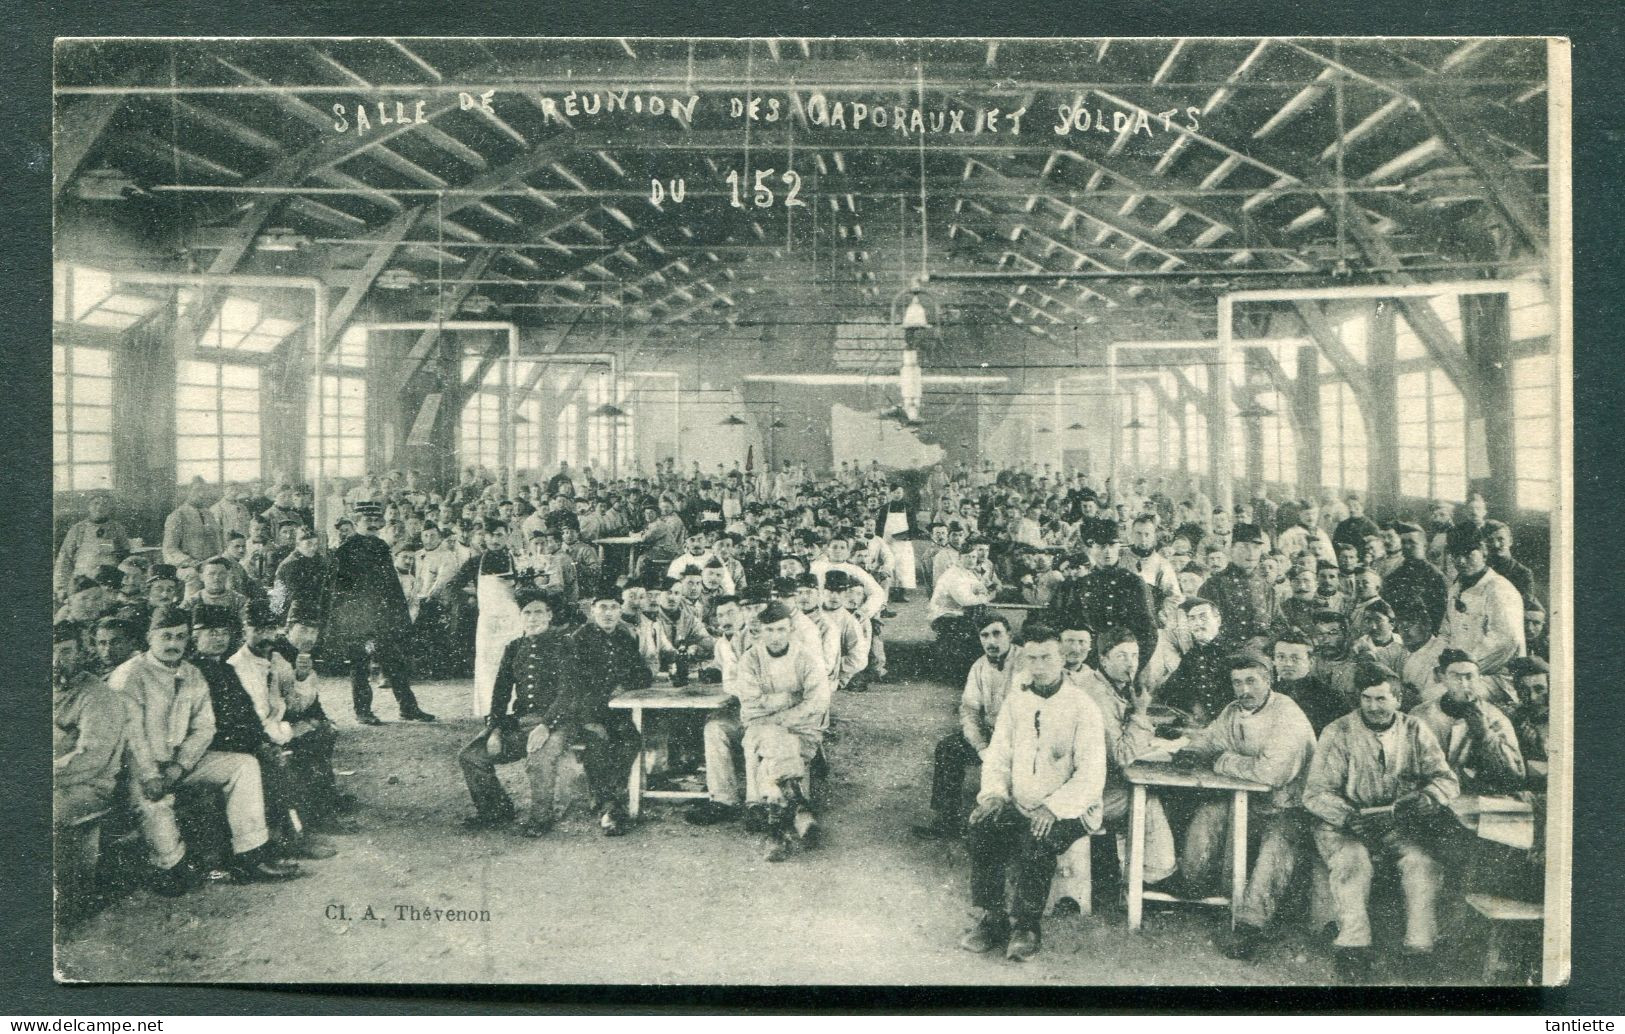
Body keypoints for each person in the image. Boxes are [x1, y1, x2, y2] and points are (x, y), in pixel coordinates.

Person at [110, 605, 301, 894]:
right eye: (166, 637)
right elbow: (131, 737)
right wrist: (151, 775)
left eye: (180, 637)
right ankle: (169, 865)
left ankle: (249, 857)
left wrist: (180, 766)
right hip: (137, 769)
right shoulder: (130, 675)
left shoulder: (192, 673)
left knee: (244, 765)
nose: (174, 644)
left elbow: (205, 727)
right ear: (150, 638)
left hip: (178, 765)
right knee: (164, 838)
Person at [959, 623, 1105, 963]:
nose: (1039, 666)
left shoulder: (1083, 707)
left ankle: (1027, 925)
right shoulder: (1017, 702)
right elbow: (998, 755)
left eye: (1047, 657)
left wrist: (1054, 808)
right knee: (982, 827)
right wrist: (994, 794)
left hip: (1072, 809)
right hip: (1020, 801)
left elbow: (1091, 774)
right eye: (1032, 658)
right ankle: (992, 918)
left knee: (1035, 840)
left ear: (1062, 658)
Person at [1303, 667, 1459, 979]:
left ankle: (1419, 948)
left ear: (1398, 700)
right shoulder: (1339, 731)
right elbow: (1315, 793)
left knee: (1421, 864)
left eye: (1381, 699)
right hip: (1344, 824)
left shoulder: (1415, 729)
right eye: (1366, 699)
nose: (1373, 707)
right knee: (1353, 862)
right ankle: (1353, 947)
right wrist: (1347, 816)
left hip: (1395, 824)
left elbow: (1446, 780)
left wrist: (1427, 798)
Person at [1172, 651, 1317, 961]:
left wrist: (1221, 762)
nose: (1243, 690)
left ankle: (1251, 925)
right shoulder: (1233, 710)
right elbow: (1211, 739)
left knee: (1277, 845)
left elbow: (1271, 772)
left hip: (1289, 807)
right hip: (1251, 803)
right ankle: (1191, 886)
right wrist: (1191, 749)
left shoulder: (1287, 715)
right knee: (1209, 813)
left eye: (1251, 681)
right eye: (1237, 682)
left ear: (1269, 680)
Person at [191, 603, 336, 862]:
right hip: (217, 744)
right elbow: (232, 720)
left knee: (313, 737)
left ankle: (305, 824)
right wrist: (267, 741)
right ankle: (288, 837)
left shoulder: (262, 662)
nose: (266, 637)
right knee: (272, 762)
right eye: (258, 630)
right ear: (246, 631)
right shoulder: (228, 667)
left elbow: (274, 708)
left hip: (251, 735)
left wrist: (302, 678)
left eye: (222, 633)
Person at [457, 591, 573, 835]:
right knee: (472, 756)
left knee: (539, 760)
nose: (532, 618)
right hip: (520, 723)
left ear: (550, 615)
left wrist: (546, 726)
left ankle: (541, 819)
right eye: (527, 613)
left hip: (557, 723)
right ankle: (495, 810)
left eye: (538, 612)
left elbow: (568, 692)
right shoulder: (514, 647)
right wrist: (495, 729)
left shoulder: (564, 644)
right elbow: (500, 693)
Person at [734, 601, 834, 861]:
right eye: (770, 631)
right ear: (760, 631)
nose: (775, 637)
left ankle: (775, 824)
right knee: (780, 742)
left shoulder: (807, 658)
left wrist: (778, 709)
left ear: (791, 630)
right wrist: (792, 698)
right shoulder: (751, 659)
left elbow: (819, 702)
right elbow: (751, 704)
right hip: (760, 727)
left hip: (803, 729)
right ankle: (799, 809)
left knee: (778, 746)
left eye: (781, 630)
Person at [324, 509, 435, 725]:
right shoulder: (345, 551)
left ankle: (408, 709)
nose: (373, 524)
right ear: (356, 522)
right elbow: (340, 591)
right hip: (358, 620)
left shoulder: (382, 547)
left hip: (382, 618)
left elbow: (391, 586)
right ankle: (363, 711)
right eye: (368, 519)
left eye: (376, 520)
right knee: (359, 666)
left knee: (395, 663)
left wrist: (397, 617)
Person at [912, 614, 1015, 840]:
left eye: (997, 634)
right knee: (948, 749)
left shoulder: (1026, 662)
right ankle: (946, 823)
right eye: (985, 635)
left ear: (1010, 635)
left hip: (1020, 739)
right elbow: (969, 710)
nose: (991, 641)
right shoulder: (979, 667)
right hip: (990, 736)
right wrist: (981, 746)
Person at [561, 594, 654, 836]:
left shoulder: (625, 637)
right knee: (598, 743)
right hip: (585, 713)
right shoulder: (578, 639)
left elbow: (643, 673)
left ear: (620, 611)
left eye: (614, 607)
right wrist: (587, 720)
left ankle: (608, 800)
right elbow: (572, 686)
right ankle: (610, 806)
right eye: (603, 607)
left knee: (631, 740)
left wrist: (625, 685)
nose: (609, 613)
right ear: (592, 610)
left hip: (616, 713)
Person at [54, 622, 126, 925]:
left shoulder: (97, 695)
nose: (56, 661)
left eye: (66, 652)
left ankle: (73, 899)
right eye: (50, 653)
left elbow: (92, 758)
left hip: (90, 785)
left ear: (82, 653)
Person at [1411, 649, 1526, 794]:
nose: (1463, 684)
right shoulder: (1420, 715)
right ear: (1442, 678)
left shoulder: (1494, 717)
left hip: (1479, 797)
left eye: (1469, 677)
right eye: (1455, 676)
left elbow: (1516, 775)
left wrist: (1485, 735)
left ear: (1479, 678)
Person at [1442, 525, 1526, 705]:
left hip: (1496, 677)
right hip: (1461, 672)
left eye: (1469, 554)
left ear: (1484, 552)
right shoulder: (1456, 588)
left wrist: (1461, 667)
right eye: (1456, 555)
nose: (1461, 561)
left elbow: (1506, 641)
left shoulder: (1498, 588)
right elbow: (1445, 633)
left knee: (1441, 697)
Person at [1198, 523, 1279, 648]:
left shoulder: (1266, 587)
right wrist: (1240, 647)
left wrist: (1266, 639)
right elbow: (1204, 630)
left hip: (1262, 654)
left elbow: (1280, 624)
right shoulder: (1214, 585)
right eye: (1244, 547)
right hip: (1225, 655)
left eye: (1256, 548)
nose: (1251, 553)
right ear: (1231, 550)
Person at [928, 541, 996, 683]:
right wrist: (985, 596)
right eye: (967, 557)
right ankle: (965, 674)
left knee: (984, 624)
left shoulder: (967, 572)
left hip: (958, 612)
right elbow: (966, 600)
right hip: (945, 615)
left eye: (973, 557)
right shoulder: (954, 574)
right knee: (977, 633)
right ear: (959, 558)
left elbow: (979, 588)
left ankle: (974, 672)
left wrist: (981, 592)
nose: (971, 560)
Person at [1157, 597, 1230, 726]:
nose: (1197, 623)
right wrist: (1192, 704)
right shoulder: (1192, 656)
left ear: (1218, 620)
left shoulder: (1233, 652)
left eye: (1203, 617)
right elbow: (1167, 691)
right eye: (1192, 619)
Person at [55, 493, 131, 599]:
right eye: (96, 503)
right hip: (82, 582)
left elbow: (126, 559)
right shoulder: (77, 529)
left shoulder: (117, 529)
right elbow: (64, 559)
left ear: (110, 509)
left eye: (105, 504)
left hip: (110, 583)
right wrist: (61, 588)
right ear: (89, 507)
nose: (100, 507)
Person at [1272, 632, 1348, 736]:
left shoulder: (1331, 698)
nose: (1287, 664)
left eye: (1295, 658)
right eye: (1281, 657)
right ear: (1274, 661)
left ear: (1311, 662)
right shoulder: (1268, 693)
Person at [162, 478, 224, 585]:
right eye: (197, 490)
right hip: (186, 566)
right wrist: (193, 563)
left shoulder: (209, 515)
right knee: (193, 576)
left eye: (205, 490)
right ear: (188, 492)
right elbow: (170, 549)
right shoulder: (177, 516)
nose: (201, 494)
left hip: (210, 565)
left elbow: (218, 545)